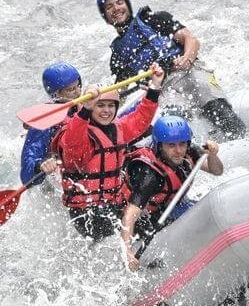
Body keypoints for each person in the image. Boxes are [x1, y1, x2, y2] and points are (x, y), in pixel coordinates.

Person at [96, 0, 246, 140]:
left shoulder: (154, 19)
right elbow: (120, 91)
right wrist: (99, 106)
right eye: (109, 7)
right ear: (105, 16)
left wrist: (186, 58)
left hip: (191, 71)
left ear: (127, 4)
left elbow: (191, 40)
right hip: (166, 88)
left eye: (119, 2)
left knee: (216, 108)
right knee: (174, 123)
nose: (116, 8)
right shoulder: (118, 54)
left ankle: (241, 138)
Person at [51, 63, 165, 242]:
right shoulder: (78, 132)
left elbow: (141, 119)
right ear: (90, 108)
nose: (106, 111)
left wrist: (154, 87)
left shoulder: (118, 128)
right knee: (116, 238)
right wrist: (86, 108)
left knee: (149, 229)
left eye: (110, 106)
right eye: (100, 106)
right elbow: (73, 145)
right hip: (85, 212)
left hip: (113, 204)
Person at [121, 115, 223, 270]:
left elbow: (217, 171)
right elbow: (130, 214)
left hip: (170, 206)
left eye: (182, 144)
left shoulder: (189, 151)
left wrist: (213, 155)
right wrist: (127, 251)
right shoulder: (150, 175)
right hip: (145, 217)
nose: (178, 151)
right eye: (171, 146)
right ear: (159, 146)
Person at [20, 62, 82, 186]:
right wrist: (40, 165)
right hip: (56, 179)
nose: (78, 92)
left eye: (78, 86)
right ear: (56, 94)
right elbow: (26, 175)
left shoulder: (85, 108)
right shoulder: (45, 123)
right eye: (71, 90)